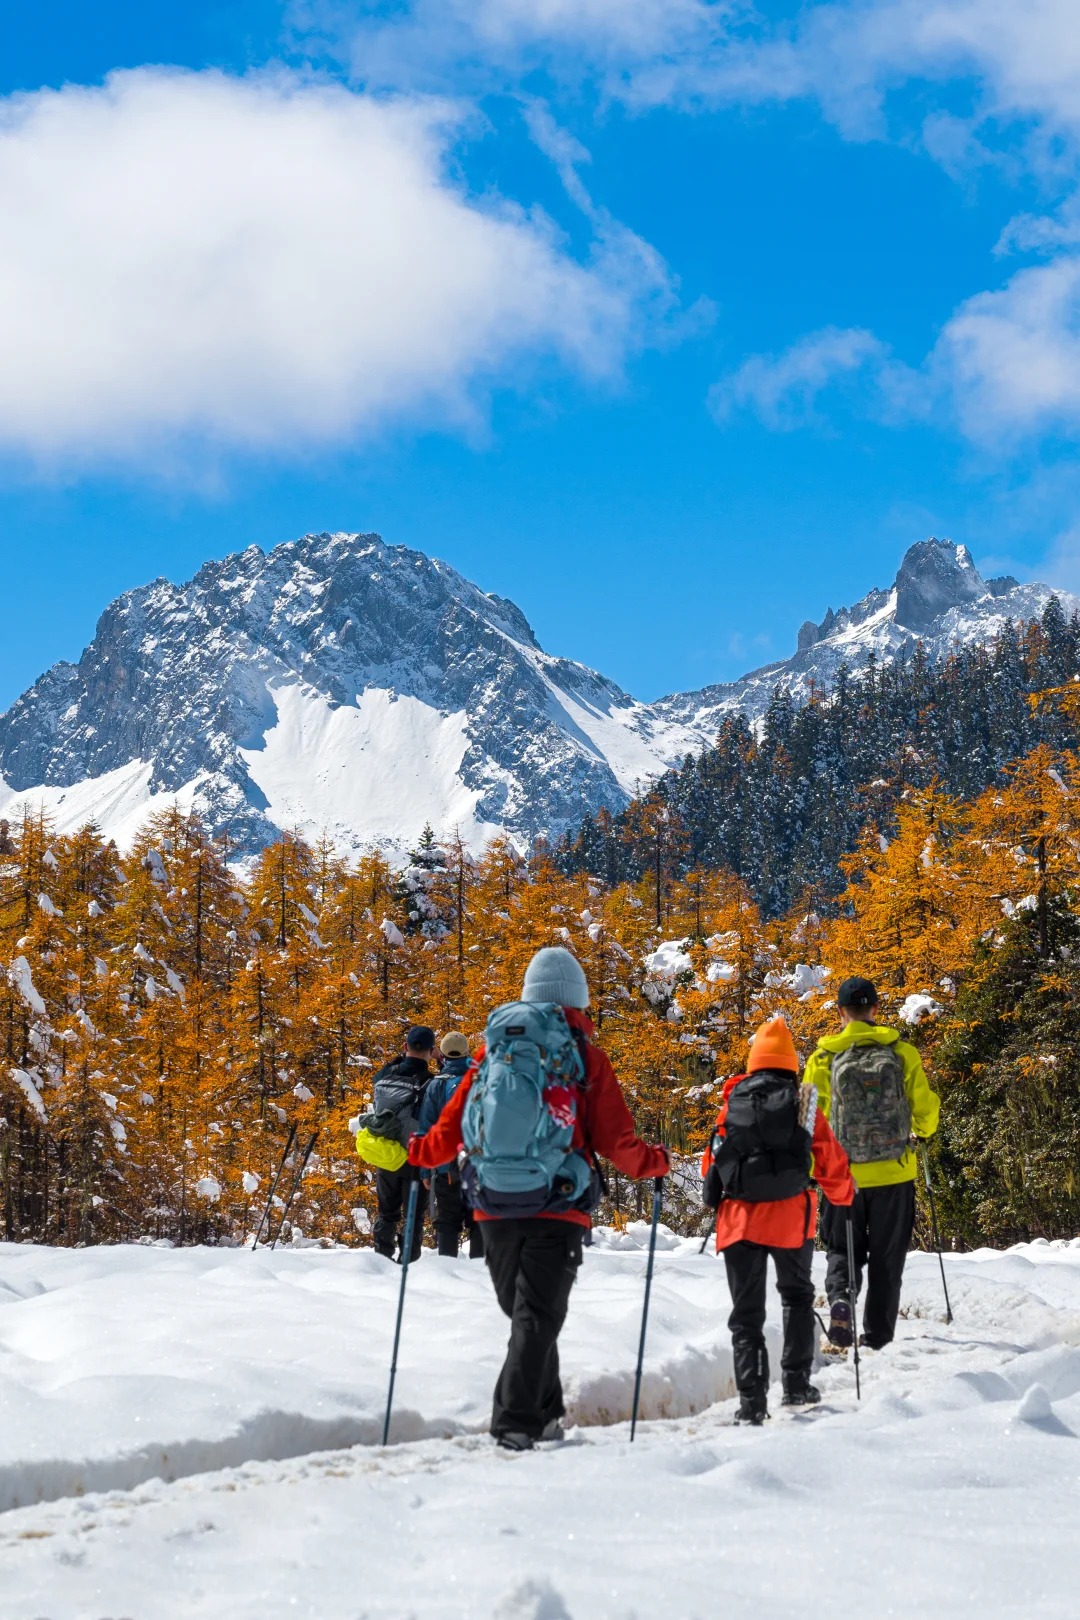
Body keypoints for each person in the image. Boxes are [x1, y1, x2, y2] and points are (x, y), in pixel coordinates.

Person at [409, 945, 669, 1451]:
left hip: (492, 1202)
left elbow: (454, 1126)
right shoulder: (583, 1056)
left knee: (525, 1312)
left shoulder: (491, 1054)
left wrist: (418, 1154)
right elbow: (617, 1143)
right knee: (536, 1316)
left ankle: (546, 1412)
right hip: (556, 1203)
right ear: (578, 1000)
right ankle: (515, 1422)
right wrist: (656, 1162)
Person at [702, 1016, 856, 1425]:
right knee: (797, 1296)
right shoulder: (803, 1101)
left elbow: (711, 1164)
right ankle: (795, 1385)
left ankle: (751, 1403)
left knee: (746, 1316)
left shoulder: (732, 1101)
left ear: (753, 1062)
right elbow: (830, 1161)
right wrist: (844, 1197)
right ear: (791, 1063)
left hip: (738, 1221)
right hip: (792, 1218)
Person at [806, 977, 941, 1352]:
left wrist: (809, 1168)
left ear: (840, 1012)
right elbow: (925, 1110)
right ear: (876, 1010)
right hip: (895, 1172)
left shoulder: (822, 1058)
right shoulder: (902, 1053)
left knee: (841, 1249)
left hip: (841, 1175)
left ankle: (841, 1301)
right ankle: (878, 1336)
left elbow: (805, 1119)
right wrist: (922, 1132)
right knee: (887, 1255)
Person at [370, 1026, 435, 1264]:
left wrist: (401, 1058)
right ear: (431, 1050)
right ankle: (408, 1261)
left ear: (405, 1047)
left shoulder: (384, 1078)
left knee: (386, 1213)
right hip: (415, 1159)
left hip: (387, 1155)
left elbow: (380, 1074)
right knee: (413, 1216)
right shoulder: (430, 1083)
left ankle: (381, 1259)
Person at [416, 1032, 484, 1258]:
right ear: (466, 1053)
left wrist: (426, 1169)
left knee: (447, 1223)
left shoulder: (436, 1086)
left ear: (443, 1054)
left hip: (446, 1168)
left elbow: (426, 1129)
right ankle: (479, 1276)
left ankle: (447, 1275)